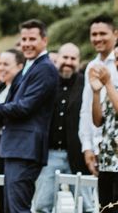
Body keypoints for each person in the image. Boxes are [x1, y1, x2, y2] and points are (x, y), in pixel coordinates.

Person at [0, 19, 58, 213]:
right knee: (10, 208)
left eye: (32, 38)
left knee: (18, 209)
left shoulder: (45, 69)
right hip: (14, 148)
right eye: (24, 38)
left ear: (44, 40)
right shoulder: (30, 66)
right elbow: (12, 105)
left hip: (25, 149)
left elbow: (23, 108)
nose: (27, 43)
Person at [33, 43, 92, 212]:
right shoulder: (47, 83)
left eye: (73, 58)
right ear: (57, 59)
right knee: (42, 205)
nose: (68, 61)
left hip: (79, 154)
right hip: (49, 154)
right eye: (65, 57)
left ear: (78, 61)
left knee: (87, 206)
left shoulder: (86, 84)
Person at [79, 15, 118, 178]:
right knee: (105, 203)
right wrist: (88, 146)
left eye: (103, 33)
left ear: (115, 34)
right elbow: (86, 111)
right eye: (94, 35)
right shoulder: (92, 66)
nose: (98, 38)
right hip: (102, 150)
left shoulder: (116, 64)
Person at [0, 48, 25, 213]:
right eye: (0, 64)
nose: (1, 68)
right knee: (0, 197)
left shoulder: (22, 88)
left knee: (15, 199)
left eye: (6, 64)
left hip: (17, 148)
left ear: (19, 66)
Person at [89, 53, 118, 211]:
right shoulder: (113, 88)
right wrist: (96, 92)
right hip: (108, 163)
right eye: (117, 59)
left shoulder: (111, 86)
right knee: (105, 209)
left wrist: (107, 83)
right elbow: (98, 121)